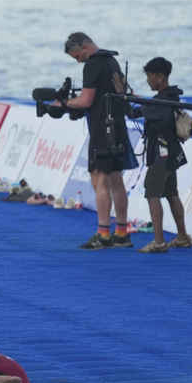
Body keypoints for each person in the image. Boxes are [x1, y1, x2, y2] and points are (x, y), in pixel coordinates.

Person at [58, 32, 138, 250]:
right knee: (116, 180)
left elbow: (86, 100)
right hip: (118, 126)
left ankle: (103, 233)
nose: (78, 61)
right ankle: (121, 233)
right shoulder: (111, 60)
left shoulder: (92, 65)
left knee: (100, 179)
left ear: (84, 47)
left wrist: (62, 103)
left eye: (77, 56)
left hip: (103, 129)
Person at [133, 57, 192, 253]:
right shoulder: (169, 97)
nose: (148, 80)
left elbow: (139, 113)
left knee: (152, 194)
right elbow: (143, 110)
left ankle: (159, 242)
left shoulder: (163, 101)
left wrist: (124, 100)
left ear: (160, 76)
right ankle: (182, 237)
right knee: (171, 193)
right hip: (170, 153)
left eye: (150, 76)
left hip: (162, 153)